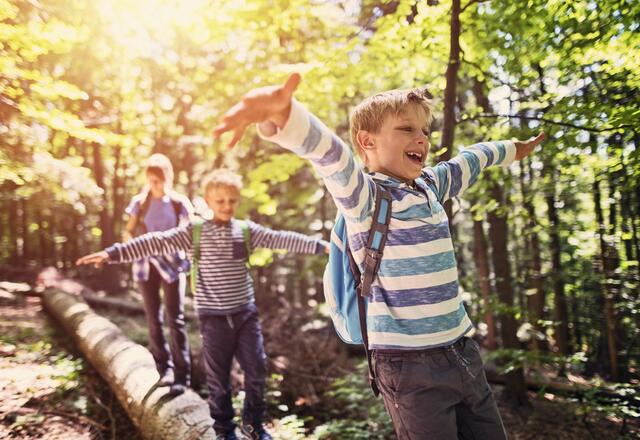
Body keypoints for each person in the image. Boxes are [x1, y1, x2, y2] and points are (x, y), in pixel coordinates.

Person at [213, 73, 544, 440]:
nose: (421, 138)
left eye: (425, 131)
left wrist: (514, 149)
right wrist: (287, 115)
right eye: (406, 129)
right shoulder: (366, 200)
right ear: (367, 141)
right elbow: (331, 155)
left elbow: (472, 159)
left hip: (463, 352)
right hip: (409, 366)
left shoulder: (430, 186)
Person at [78, 168, 329, 440]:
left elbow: (281, 238)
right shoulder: (194, 232)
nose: (227, 206)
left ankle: (253, 426)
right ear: (208, 201)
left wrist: (322, 246)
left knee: (256, 370)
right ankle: (224, 431)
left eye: (232, 201)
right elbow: (155, 242)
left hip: (245, 315)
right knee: (219, 381)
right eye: (220, 201)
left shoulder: (245, 231)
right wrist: (112, 253)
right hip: (213, 319)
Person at [124, 153, 193, 396]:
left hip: (173, 268)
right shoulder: (139, 204)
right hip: (145, 268)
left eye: (160, 179)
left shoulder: (179, 203)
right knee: (154, 319)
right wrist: (135, 247)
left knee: (176, 319)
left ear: (168, 178)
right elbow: (128, 232)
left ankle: (182, 376)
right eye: (152, 180)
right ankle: (165, 370)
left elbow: (190, 235)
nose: (156, 185)